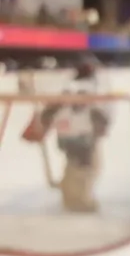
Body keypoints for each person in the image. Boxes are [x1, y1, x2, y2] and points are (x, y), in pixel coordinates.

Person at [21, 61, 111, 212]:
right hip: (78, 140)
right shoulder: (68, 100)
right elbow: (45, 119)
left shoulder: (77, 100)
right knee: (83, 169)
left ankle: (76, 198)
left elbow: (101, 122)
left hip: (82, 139)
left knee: (84, 169)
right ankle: (77, 200)